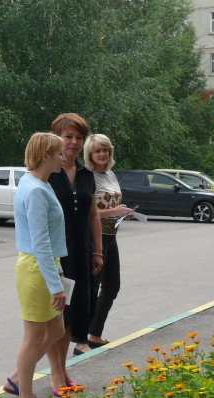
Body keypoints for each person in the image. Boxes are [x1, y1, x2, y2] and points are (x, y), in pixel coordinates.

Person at [2, 132, 67, 398]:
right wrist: (56, 285)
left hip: (43, 265)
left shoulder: (35, 182)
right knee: (33, 337)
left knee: (56, 330)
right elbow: (40, 241)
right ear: (45, 156)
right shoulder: (37, 190)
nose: (63, 158)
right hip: (36, 268)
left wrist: (58, 273)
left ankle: (18, 378)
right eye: (59, 153)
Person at [45, 113, 103, 392]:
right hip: (56, 254)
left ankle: (62, 370)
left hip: (80, 251)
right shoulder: (47, 172)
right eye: (68, 136)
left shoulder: (86, 174)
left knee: (71, 315)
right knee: (56, 316)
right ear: (56, 137)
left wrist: (98, 251)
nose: (74, 142)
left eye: (79, 137)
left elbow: (93, 215)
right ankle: (53, 376)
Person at [84, 133, 130, 349]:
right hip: (96, 238)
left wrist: (123, 212)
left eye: (106, 150)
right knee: (92, 289)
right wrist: (115, 210)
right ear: (90, 154)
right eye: (97, 151)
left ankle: (94, 333)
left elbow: (111, 205)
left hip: (112, 236)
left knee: (112, 286)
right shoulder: (87, 176)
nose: (102, 154)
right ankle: (83, 337)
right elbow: (86, 213)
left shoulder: (110, 175)